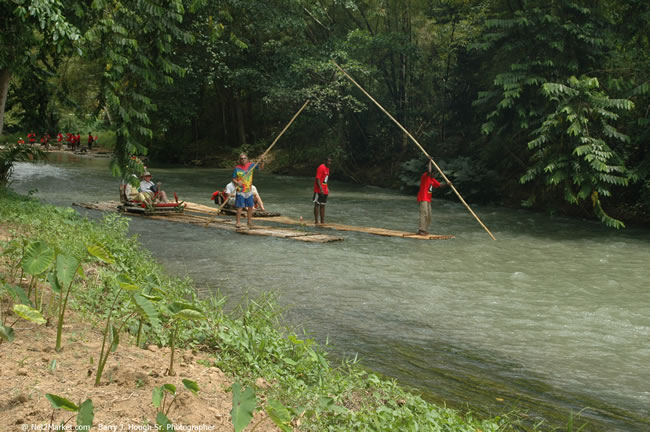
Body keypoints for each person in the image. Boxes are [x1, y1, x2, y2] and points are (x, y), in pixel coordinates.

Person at [232, 153, 263, 228]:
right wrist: (237, 182)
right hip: (240, 190)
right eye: (241, 159)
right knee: (239, 207)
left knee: (250, 206)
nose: (243, 160)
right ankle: (238, 223)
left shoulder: (251, 165)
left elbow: (260, 168)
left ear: (247, 159)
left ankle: (249, 222)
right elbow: (233, 178)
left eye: (244, 158)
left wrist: (262, 161)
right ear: (239, 160)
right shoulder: (237, 168)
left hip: (249, 190)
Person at [416, 160, 442, 236]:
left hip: (428, 199)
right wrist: (430, 162)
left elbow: (440, 185)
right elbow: (429, 171)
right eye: (433, 173)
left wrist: (448, 184)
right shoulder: (425, 176)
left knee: (429, 215)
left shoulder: (432, 180)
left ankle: (425, 229)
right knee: (424, 214)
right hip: (422, 198)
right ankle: (421, 230)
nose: (434, 175)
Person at [313, 156, 331, 225]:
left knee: (323, 205)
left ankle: (322, 221)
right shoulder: (321, 167)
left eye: (330, 161)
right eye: (328, 161)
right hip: (319, 190)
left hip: (325, 189)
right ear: (325, 161)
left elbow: (325, 180)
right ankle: (316, 221)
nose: (329, 163)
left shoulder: (328, 168)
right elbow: (317, 179)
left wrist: (327, 188)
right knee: (317, 204)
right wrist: (321, 189)